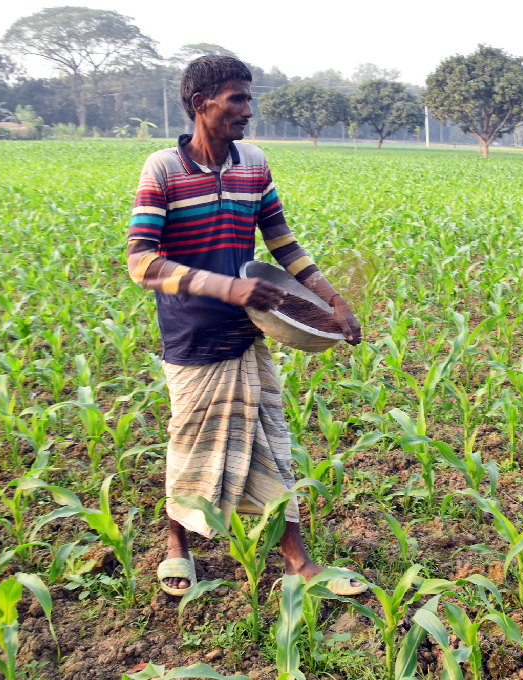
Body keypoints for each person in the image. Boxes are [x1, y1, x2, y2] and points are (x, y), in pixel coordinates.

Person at [125, 55, 366, 596]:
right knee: (190, 443)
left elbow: (282, 240)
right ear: (200, 104)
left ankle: (299, 563)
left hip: (249, 328)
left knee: (270, 442)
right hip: (192, 334)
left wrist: (333, 299)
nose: (248, 111)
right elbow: (141, 262)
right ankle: (176, 545)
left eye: (248, 99)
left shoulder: (253, 163)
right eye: (237, 99)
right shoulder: (163, 169)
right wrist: (226, 286)